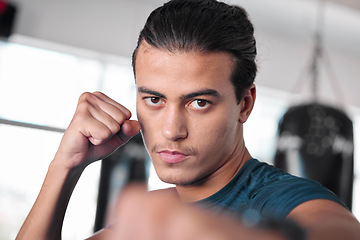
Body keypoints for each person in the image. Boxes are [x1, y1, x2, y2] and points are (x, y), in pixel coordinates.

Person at [16, 0, 360, 239]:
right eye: (154, 99)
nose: (171, 130)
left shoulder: (281, 198)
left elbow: (335, 229)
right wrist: (65, 166)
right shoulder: (158, 210)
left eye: (198, 102)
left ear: (244, 103)